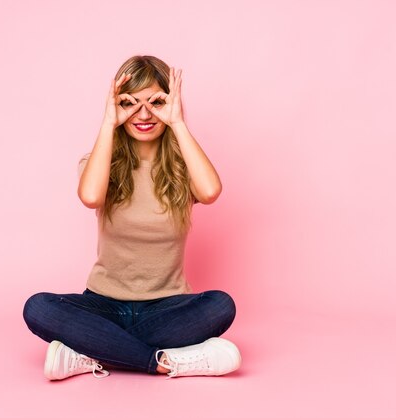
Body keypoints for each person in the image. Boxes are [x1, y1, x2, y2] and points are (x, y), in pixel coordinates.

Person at [22, 55, 241, 380]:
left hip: (167, 307)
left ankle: (91, 351)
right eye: (130, 102)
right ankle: (165, 362)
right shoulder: (101, 162)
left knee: (221, 304)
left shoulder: (182, 168)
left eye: (156, 102)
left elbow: (210, 191)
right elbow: (91, 197)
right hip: (103, 305)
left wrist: (177, 122)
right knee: (37, 307)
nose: (143, 113)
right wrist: (108, 122)